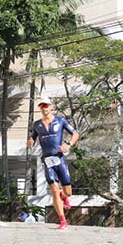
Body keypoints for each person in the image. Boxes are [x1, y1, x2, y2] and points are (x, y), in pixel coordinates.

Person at [27, 97, 80, 230]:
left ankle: (64, 196)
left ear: (51, 107)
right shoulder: (37, 124)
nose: (44, 108)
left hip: (59, 158)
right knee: (54, 190)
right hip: (47, 160)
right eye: (41, 106)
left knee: (68, 192)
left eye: (46, 105)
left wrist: (68, 144)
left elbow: (75, 134)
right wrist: (30, 142)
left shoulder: (60, 121)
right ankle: (63, 221)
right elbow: (32, 137)